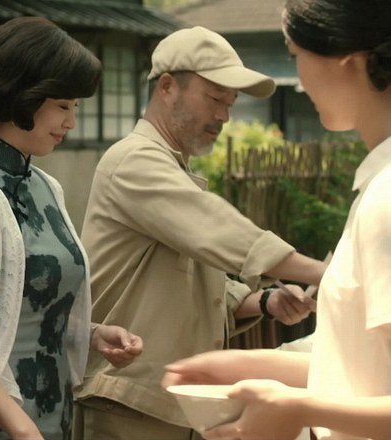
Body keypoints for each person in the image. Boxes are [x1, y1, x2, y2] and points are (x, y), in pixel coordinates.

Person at [73, 26, 329, 439]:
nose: (224, 116)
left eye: (231, 103)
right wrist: (327, 274)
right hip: (127, 403)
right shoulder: (134, 161)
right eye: (214, 98)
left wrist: (264, 302)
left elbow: (190, 285)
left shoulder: (174, 167)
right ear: (167, 87)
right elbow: (216, 229)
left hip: (169, 402)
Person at [163, 1, 391, 439]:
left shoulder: (386, 196)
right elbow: (362, 368)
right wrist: (246, 365)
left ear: (346, 60)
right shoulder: (377, 185)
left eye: (294, 55)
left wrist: (297, 408)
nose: (299, 79)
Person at [0, 16, 143, 440]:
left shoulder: (46, 188)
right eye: (63, 106)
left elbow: (28, 307)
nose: (71, 122)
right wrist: (21, 428)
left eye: (75, 108)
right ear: (22, 96)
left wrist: (93, 334)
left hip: (54, 413)